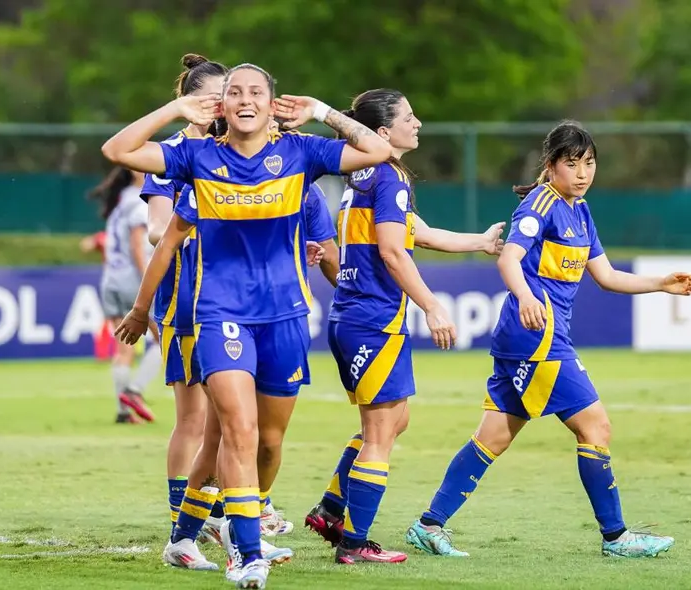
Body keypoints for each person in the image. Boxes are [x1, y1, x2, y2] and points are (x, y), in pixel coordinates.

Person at [105, 62, 392, 588]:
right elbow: (117, 151)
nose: (244, 99)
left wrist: (324, 112)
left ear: (271, 102)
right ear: (221, 105)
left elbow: (378, 151)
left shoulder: (301, 153)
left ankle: (186, 533)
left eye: (256, 92)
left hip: (283, 319)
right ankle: (247, 551)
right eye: (233, 92)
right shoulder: (196, 157)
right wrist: (175, 109)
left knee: (267, 441)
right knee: (237, 430)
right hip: (219, 316)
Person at [405, 120, 688, 559]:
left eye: (589, 162)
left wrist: (661, 283)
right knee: (596, 427)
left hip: (529, 339)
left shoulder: (581, 210)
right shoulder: (541, 204)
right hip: (537, 338)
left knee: (493, 437)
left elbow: (608, 276)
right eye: (572, 163)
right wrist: (524, 296)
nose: (583, 172)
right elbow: (510, 259)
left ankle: (429, 524)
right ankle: (616, 537)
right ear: (551, 165)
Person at [302, 89, 507, 565]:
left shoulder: (364, 177)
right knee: (379, 433)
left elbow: (419, 233)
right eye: (409, 117)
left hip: (356, 319)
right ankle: (354, 543)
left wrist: (481, 241)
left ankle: (332, 509)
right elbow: (394, 253)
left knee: (395, 421)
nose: (418, 123)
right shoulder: (390, 176)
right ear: (382, 133)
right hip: (372, 322)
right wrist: (432, 306)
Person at [140, 55, 227, 564]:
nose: (225, 106)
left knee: (233, 418)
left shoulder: (233, 152)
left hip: (233, 299)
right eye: (217, 97)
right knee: (193, 418)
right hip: (186, 299)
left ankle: (219, 516)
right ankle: (182, 525)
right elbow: (156, 231)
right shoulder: (172, 154)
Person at [89, 167, 161, 424]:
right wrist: (148, 279)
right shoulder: (139, 201)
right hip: (133, 280)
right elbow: (136, 244)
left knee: (124, 348)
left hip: (111, 280)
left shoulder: (121, 202)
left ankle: (123, 411)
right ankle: (135, 391)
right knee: (165, 340)